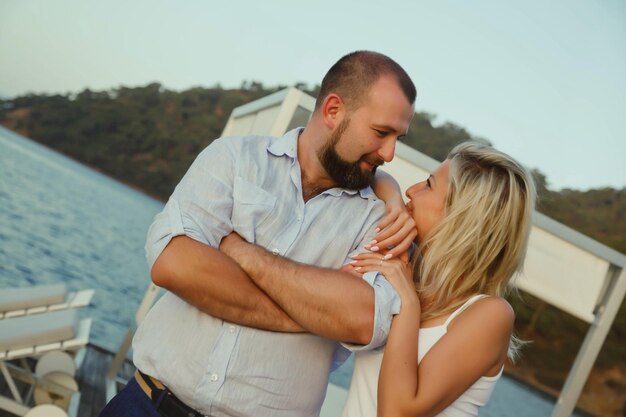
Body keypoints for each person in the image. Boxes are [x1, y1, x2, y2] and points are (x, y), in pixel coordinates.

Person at [99, 50, 417, 417]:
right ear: (333, 111)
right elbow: (174, 264)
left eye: (398, 138)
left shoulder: (383, 220)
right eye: (381, 132)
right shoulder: (233, 159)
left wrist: (240, 251)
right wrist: (310, 314)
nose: (390, 153)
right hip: (144, 407)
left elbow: (361, 320)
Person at [219, 142, 536, 417]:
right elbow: (377, 177)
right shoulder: (405, 267)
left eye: (428, 185)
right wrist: (396, 202)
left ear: (461, 217)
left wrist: (408, 304)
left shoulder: (488, 315)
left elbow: (396, 412)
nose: (413, 190)